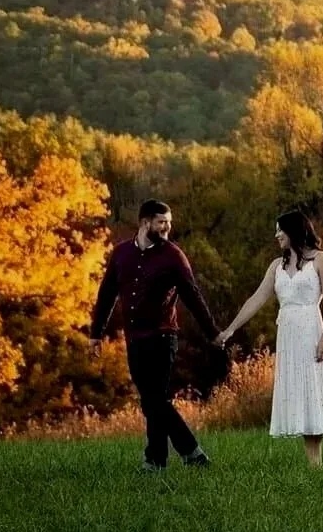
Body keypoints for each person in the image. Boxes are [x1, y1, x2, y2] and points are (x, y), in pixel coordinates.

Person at [217, 208, 323, 469]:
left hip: (312, 333)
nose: (276, 235)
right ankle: (316, 466)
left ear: (294, 230)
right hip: (289, 337)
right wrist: (230, 329)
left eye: (280, 229)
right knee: (305, 397)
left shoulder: (322, 260)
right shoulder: (276, 266)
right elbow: (256, 299)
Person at [89, 199, 223, 474]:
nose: (167, 228)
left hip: (163, 337)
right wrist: (96, 333)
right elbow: (106, 296)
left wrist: (213, 332)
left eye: (169, 223)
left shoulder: (173, 256)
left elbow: (193, 296)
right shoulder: (121, 254)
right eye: (162, 222)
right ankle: (163, 460)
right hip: (134, 338)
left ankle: (172, 456)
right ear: (145, 222)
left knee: (154, 398)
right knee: (152, 399)